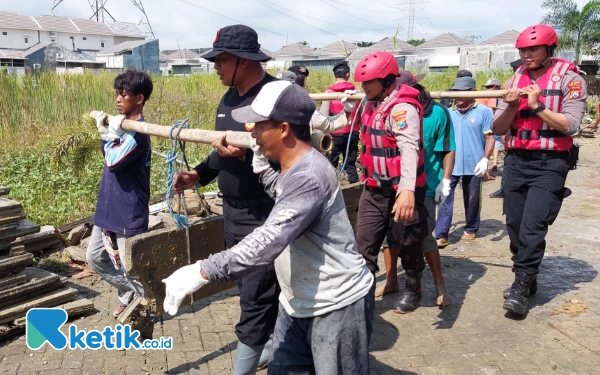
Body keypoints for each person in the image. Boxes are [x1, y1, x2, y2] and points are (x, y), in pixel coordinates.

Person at [162, 80, 375, 374]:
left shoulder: (310, 175)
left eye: (259, 126)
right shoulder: (291, 166)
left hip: (335, 303)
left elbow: (266, 241)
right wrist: (259, 157)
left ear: (284, 129)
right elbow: (277, 187)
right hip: (297, 301)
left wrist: (204, 270)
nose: (252, 132)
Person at [173, 25, 278, 374]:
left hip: (266, 212)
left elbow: (292, 156)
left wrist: (247, 156)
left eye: (221, 60)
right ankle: (275, 340)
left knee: (255, 293)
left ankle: (247, 363)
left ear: (243, 61)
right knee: (251, 286)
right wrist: (199, 175)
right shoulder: (230, 98)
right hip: (233, 213)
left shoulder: (276, 96)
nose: (215, 66)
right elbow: (222, 152)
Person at [493, 24, 586, 316]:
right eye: (522, 50)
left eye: (532, 49)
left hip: (550, 163)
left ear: (549, 49)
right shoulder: (515, 78)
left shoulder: (571, 80)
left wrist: (536, 107)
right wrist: (511, 106)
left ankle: (520, 285)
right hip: (516, 161)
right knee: (515, 225)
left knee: (533, 227)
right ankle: (528, 272)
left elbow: (571, 125)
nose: (526, 54)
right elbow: (497, 127)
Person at [351, 52, 429, 313]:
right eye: (362, 83)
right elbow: (344, 125)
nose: (364, 88)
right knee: (363, 245)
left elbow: (409, 149)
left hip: (403, 192)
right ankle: (361, 299)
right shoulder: (369, 104)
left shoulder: (402, 109)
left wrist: (406, 191)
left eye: (369, 82)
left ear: (386, 80)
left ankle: (413, 286)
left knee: (409, 244)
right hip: (373, 191)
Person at [376, 71, 455, 307]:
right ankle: (392, 280)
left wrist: (446, 180)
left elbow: (448, 147)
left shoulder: (437, 113)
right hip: (391, 184)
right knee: (389, 236)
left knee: (420, 237)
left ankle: (439, 284)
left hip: (426, 185)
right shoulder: (384, 109)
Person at [89, 68, 153, 317]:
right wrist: (108, 134)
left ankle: (143, 300)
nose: (118, 99)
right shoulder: (122, 127)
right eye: (117, 93)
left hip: (129, 208)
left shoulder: (140, 133)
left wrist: (109, 136)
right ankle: (134, 293)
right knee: (95, 257)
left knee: (131, 264)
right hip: (109, 205)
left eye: (124, 94)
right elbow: (110, 158)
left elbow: (114, 161)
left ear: (139, 98)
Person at [435, 77, 494, 246]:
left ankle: (470, 227)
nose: (458, 96)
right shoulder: (448, 112)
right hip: (450, 165)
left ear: (472, 93)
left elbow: (489, 137)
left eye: (462, 92)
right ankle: (441, 233)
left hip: (474, 163)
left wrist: (485, 159)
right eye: (455, 92)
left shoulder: (483, 111)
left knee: (473, 198)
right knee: (444, 197)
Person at [320, 61, 360, 183]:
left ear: (335, 75)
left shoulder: (329, 92)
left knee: (331, 164)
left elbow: (323, 115)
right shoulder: (356, 91)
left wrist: (321, 136)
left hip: (334, 134)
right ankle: (355, 189)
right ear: (347, 75)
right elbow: (361, 112)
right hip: (352, 132)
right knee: (350, 164)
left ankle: (332, 190)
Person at [490, 59, 525, 199]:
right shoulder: (510, 84)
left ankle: (506, 189)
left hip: (526, 133)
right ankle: (504, 189)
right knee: (508, 163)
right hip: (511, 130)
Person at [477, 79, 503, 171]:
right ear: (495, 87)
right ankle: (489, 168)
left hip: (476, 121)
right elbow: (491, 110)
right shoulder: (492, 95)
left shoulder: (480, 94)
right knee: (492, 141)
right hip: (486, 122)